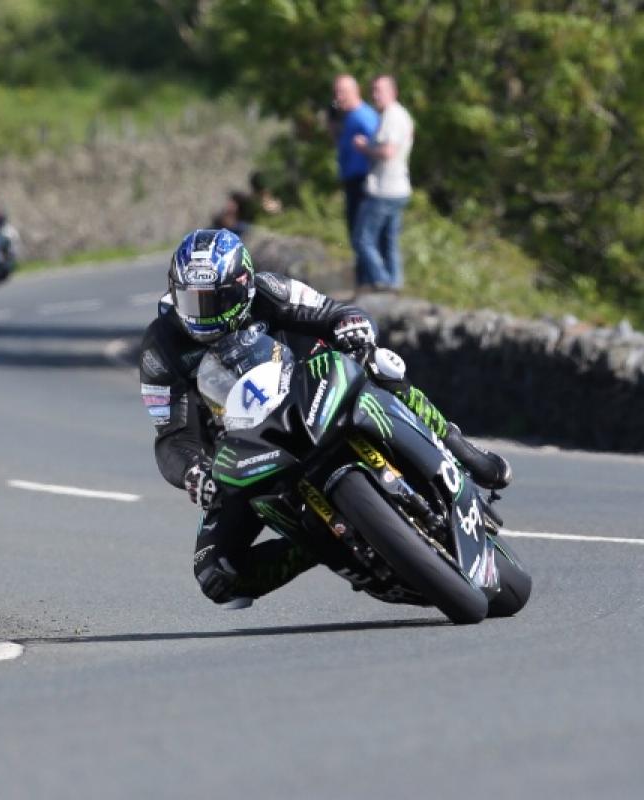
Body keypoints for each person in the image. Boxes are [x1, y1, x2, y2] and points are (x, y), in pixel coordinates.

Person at [139, 228, 512, 608]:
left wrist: (353, 329)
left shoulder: (270, 290)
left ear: (244, 285)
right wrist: (193, 472)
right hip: (245, 448)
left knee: (382, 364)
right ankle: (318, 542)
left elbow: (334, 312)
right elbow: (172, 435)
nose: (206, 313)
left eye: (218, 299)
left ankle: (460, 450)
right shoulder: (161, 349)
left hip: (311, 390)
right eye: (194, 301)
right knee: (215, 573)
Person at [352, 75, 415, 291]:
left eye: (380, 90)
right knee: (389, 241)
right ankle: (395, 283)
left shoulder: (393, 116)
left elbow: (388, 151)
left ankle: (384, 282)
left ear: (393, 92)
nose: (375, 95)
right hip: (395, 188)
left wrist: (364, 148)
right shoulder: (393, 115)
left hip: (385, 189)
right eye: (373, 90)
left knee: (363, 239)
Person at [329, 74, 380, 287]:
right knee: (354, 232)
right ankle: (363, 281)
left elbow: (378, 144)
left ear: (355, 91)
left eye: (343, 92)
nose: (338, 97)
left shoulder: (363, 116)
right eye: (336, 92)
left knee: (363, 233)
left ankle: (374, 280)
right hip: (351, 180)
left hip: (363, 181)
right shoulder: (348, 118)